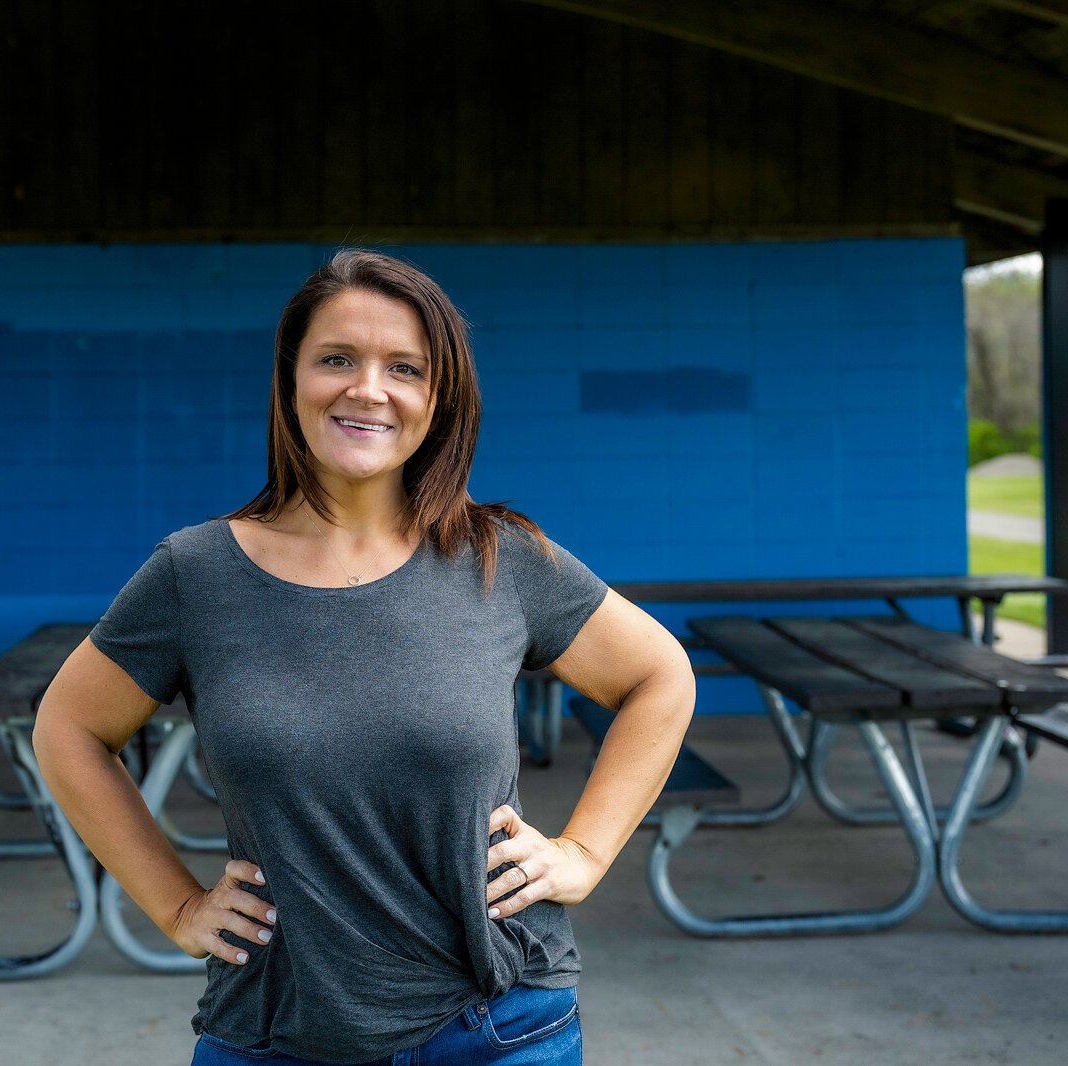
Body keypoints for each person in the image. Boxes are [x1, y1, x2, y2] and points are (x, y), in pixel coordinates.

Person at [34, 249, 696, 1065]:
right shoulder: (194, 573)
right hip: (276, 1030)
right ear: (291, 381)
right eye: (337, 359)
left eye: (405, 368)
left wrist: (584, 852)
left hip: (499, 1028)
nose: (368, 389)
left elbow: (659, 676)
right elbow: (66, 727)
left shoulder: (500, 558)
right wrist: (175, 907)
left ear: (438, 399)